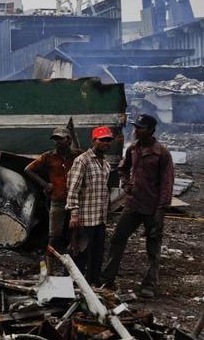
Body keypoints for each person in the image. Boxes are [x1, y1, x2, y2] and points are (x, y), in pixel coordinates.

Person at [101, 114, 174, 297]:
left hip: (153, 207)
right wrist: (125, 184)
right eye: (135, 127)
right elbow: (123, 168)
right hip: (133, 205)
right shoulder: (133, 149)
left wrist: (161, 210)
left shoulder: (162, 153)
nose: (135, 130)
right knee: (118, 239)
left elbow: (167, 183)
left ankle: (149, 285)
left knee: (153, 247)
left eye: (140, 127)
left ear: (150, 130)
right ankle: (107, 279)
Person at [65, 126, 114, 284]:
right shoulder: (82, 160)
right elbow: (73, 189)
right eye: (102, 140)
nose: (106, 143)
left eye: (108, 140)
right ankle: (72, 284)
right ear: (94, 141)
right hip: (84, 218)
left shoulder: (105, 164)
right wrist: (73, 214)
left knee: (97, 253)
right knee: (79, 253)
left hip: (99, 218)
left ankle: (93, 283)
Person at [24, 126, 79, 253]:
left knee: (76, 234)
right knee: (54, 235)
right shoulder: (48, 156)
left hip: (76, 201)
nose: (57, 142)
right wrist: (45, 184)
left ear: (69, 140)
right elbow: (28, 169)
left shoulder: (78, 155)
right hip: (58, 199)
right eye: (55, 139)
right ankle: (50, 264)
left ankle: (74, 262)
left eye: (60, 139)